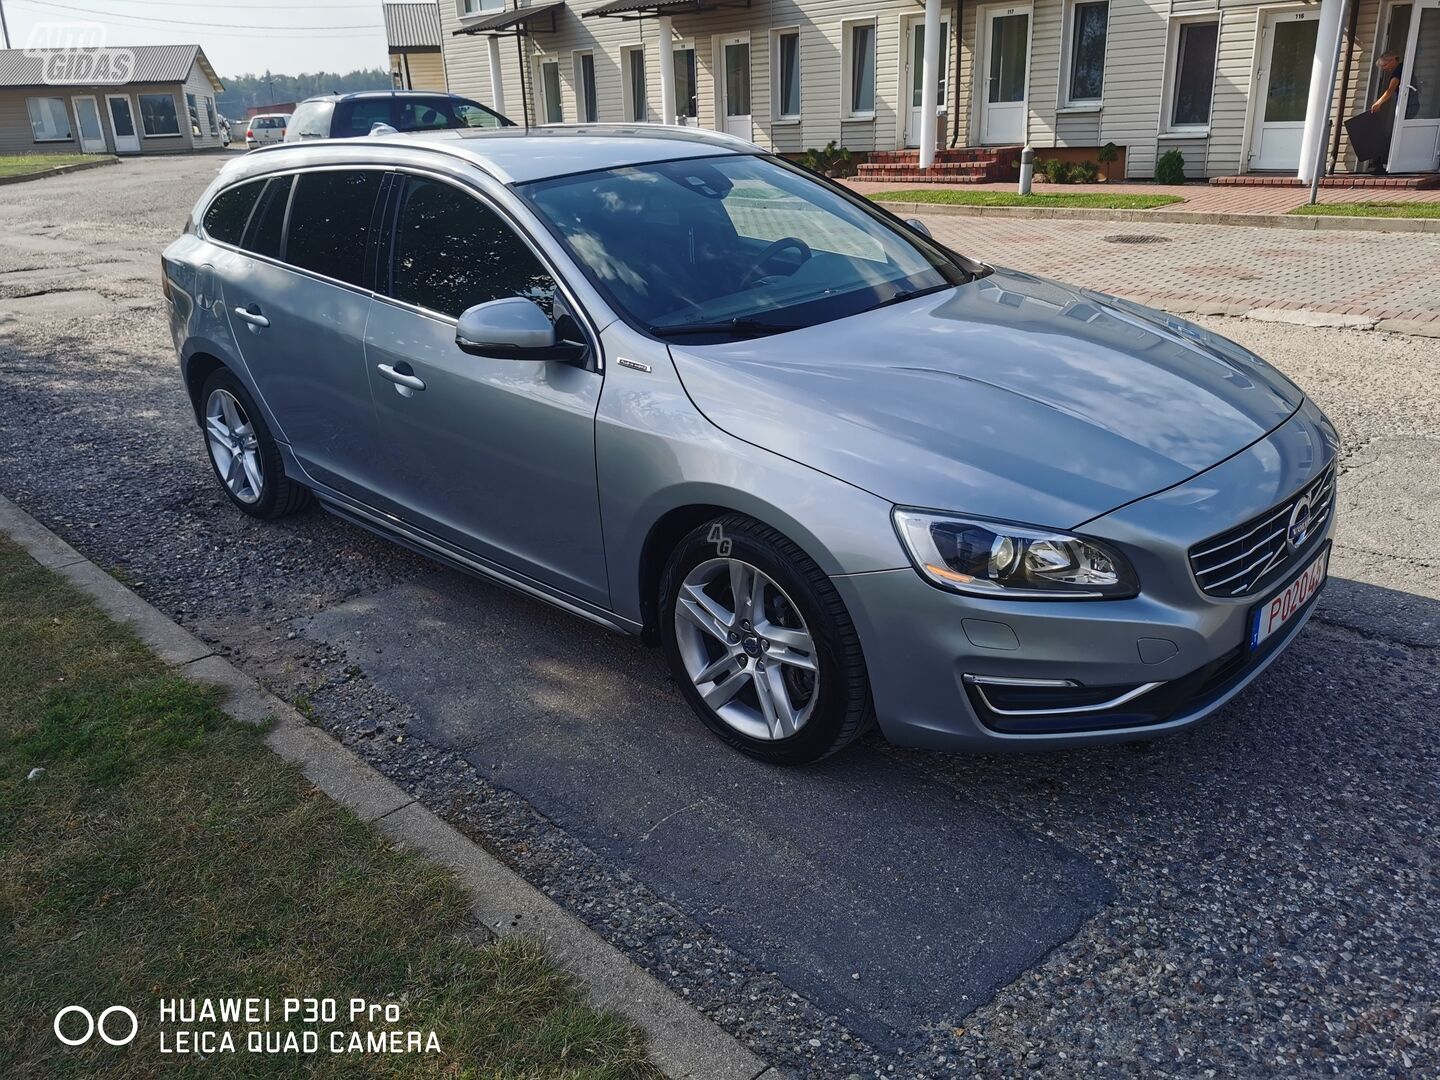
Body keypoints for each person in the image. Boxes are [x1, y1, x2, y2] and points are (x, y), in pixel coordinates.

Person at [1368, 52, 1404, 174]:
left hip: (1407, 105)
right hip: (1406, 104)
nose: (1384, 69)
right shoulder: (1401, 69)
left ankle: (1394, 162)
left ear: (1393, 59)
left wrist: (1378, 103)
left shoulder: (1399, 70)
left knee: (1399, 132)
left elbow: (1390, 90)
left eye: (1385, 65)